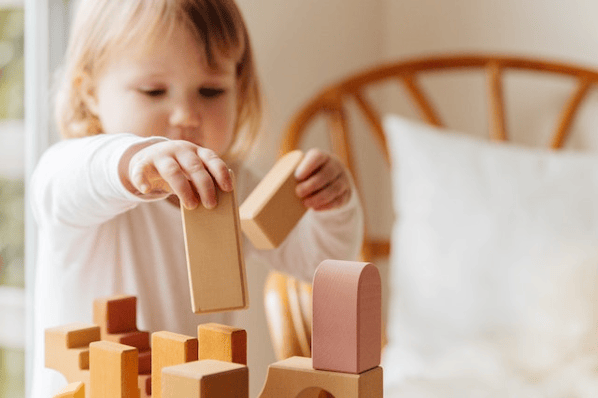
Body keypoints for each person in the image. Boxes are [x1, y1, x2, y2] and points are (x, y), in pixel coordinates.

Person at [29, 0, 363, 396]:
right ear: (90, 95)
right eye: (154, 91)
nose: (186, 114)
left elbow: (318, 264)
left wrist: (332, 206)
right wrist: (133, 163)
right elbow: (57, 184)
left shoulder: (234, 185)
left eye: (211, 90)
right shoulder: (89, 178)